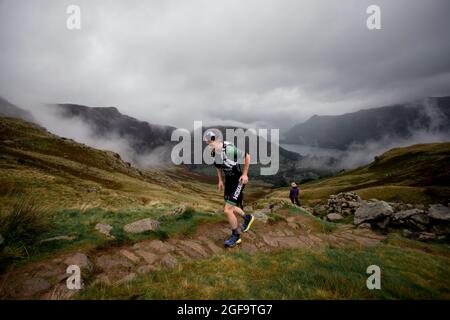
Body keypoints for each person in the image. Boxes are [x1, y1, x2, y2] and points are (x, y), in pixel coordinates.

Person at [204, 130, 255, 248]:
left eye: (211, 141)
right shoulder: (214, 152)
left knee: (227, 210)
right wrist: (220, 180)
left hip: (238, 181)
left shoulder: (229, 150)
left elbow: (247, 156)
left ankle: (236, 236)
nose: (209, 143)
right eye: (208, 142)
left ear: (217, 139)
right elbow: (218, 167)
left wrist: (245, 174)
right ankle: (248, 218)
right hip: (228, 181)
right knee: (230, 205)